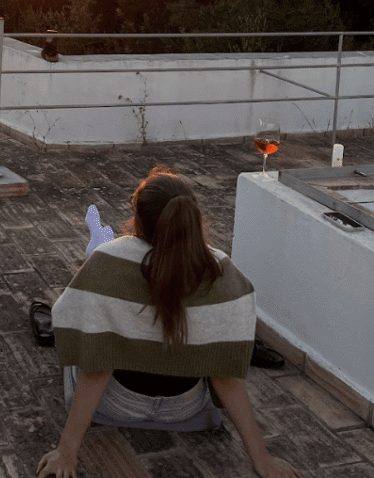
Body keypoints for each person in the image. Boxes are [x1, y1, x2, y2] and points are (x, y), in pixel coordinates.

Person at [36, 166, 302, 478]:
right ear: (192, 219)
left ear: (138, 218)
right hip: (185, 410)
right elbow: (226, 377)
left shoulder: (109, 260)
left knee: (85, 335)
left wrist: (67, 450)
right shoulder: (223, 270)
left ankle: (96, 238)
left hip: (117, 404)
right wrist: (263, 460)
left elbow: (97, 365)